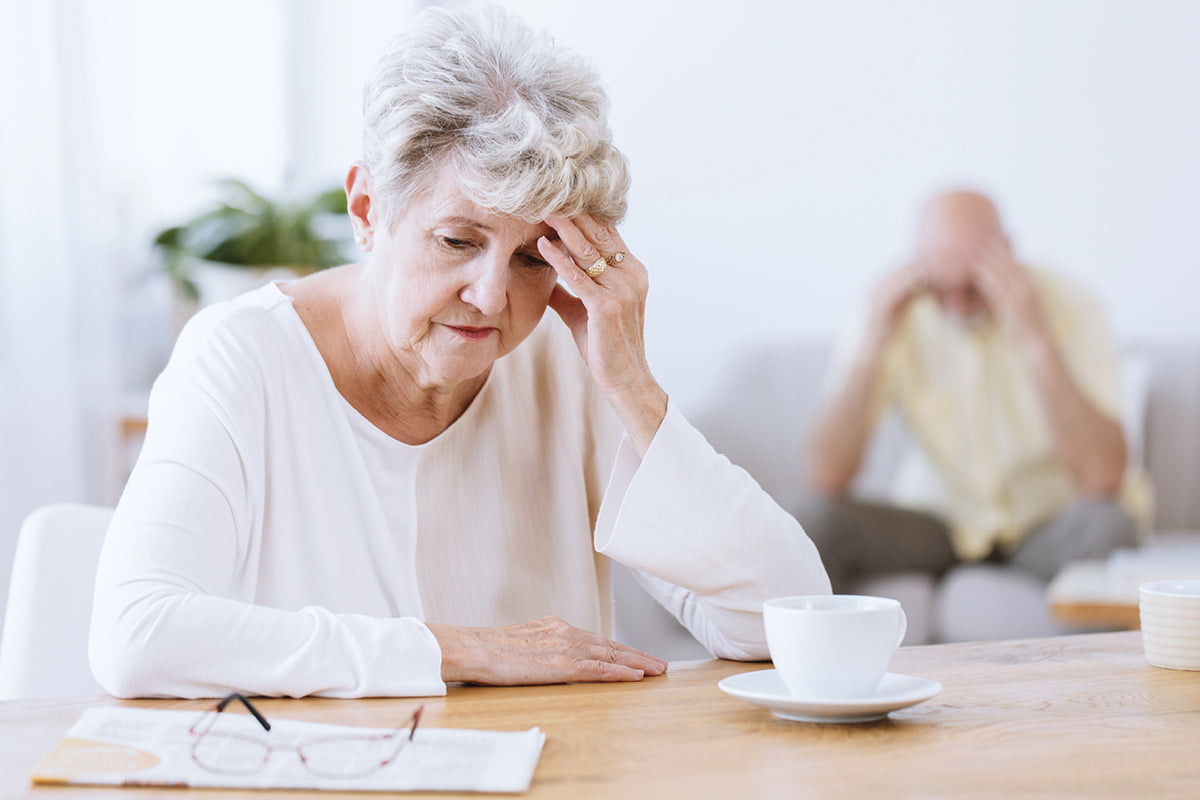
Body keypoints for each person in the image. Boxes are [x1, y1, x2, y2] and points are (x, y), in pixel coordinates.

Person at [88, 5, 829, 699]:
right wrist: (455, 650)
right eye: (457, 242)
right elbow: (137, 634)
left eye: (533, 259)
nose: (490, 296)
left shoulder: (564, 362)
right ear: (368, 211)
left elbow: (784, 619)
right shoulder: (241, 356)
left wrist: (634, 387)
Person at [801, 189, 1150, 593]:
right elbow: (825, 475)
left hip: (1047, 525)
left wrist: (1036, 339)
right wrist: (873, 344)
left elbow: (1104, 476)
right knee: (815, 520)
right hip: (941, 526)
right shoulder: (891, 312)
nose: (959, 307)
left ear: (1007, 251)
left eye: (972, 286)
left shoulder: (1072, 303)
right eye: (942, 287)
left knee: (1109, 526)